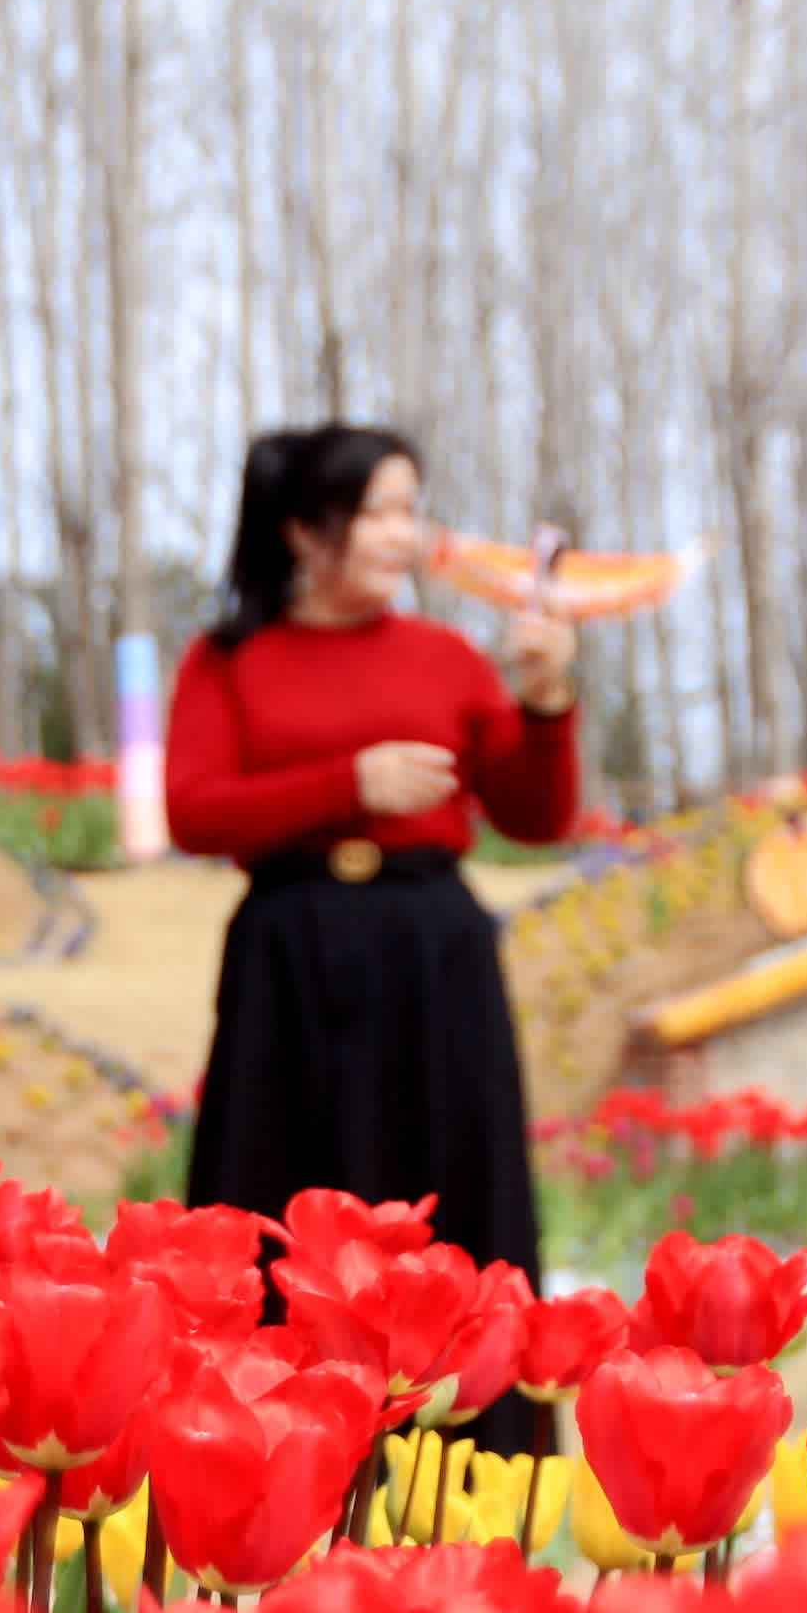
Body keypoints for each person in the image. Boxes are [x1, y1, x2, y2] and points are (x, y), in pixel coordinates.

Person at [161, 423, 583, 1433]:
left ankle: (479, 1456)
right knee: (280, 1194)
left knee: (455, 1200)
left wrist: (546, 700)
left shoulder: (445, 660)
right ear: (306, 533)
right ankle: (266, 1449)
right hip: (289, 961)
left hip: (432, 955)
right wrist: (347, 783)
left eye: (410, 508)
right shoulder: (230, 662)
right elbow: (195, 809)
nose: (405, 533)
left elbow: (535, 815)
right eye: (381, 512)